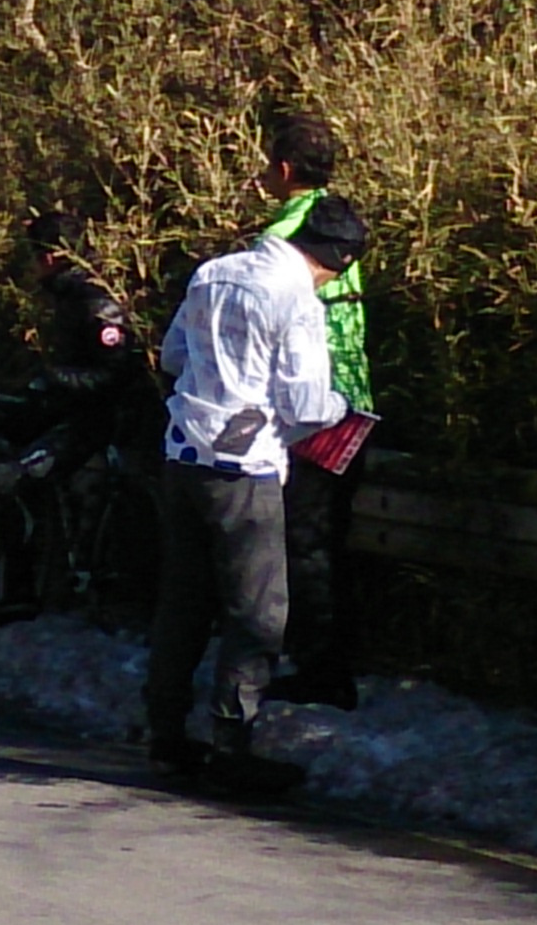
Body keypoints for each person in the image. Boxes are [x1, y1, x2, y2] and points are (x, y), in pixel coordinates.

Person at [144, 192, 364, 797]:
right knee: (257, 615)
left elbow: (172, 356)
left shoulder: (214, 273)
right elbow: (304, 405)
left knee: (182, 605)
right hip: (246, 470)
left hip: (182, 457)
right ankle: (230, 748)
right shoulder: (298, 301)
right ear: (337, 263)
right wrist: (342, 410)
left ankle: (165, 738)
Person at [0, 209, 149, 629]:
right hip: (69, 410)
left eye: (35, 257)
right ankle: (29, 578)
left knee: (16, 475)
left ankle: (28, 592)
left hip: (94, 420)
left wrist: (53, 380)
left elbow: (116, 374)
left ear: (50, 257)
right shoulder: (68, 295)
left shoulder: (93, 301)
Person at [251, 111, 374, 705]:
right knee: (331, 536)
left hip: (310, 405)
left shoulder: (286, 235)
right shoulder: (339, 220)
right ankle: (336, 658)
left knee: (303, 539)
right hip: (356, 399)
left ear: (281, 168)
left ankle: (320, 668)